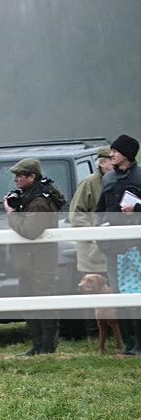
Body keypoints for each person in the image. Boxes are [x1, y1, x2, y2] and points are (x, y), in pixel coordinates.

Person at [4, 158, 65, 356]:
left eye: (19, 176)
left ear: (32, 177)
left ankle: (47, 347)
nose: (15, 180)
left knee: (44, 300)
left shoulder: (39, 201)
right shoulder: (31, 194)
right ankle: (38, 345)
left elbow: (30, 230)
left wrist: (11, 214)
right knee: (27, 300)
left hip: (40, 260)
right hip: (30, 260)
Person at [95, 134, 141, 354]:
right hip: (113, 247)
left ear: (127, 155)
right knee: (118, 294)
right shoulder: (108, 178)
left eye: (115, 151)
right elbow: (100, 210)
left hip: (137, 246)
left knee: (138, 294)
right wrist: (98, 235)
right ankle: (128, 344)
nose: (111, 154)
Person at [70, 146, 112, 276]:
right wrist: (94, 236)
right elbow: (76, 215)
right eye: (112, 160)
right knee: (95, 294)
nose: (117, 163)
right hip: (93, 258)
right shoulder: (89, 183)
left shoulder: (120, 181)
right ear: (102, 163)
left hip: (117, 254)